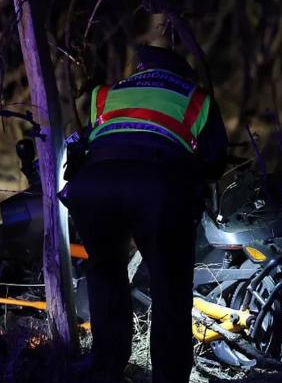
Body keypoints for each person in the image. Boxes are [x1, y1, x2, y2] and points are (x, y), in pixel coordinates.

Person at [63, 45, 228, 383]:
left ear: (138, 71)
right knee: (170, 286)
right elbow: (214, 162)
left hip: (95, 188)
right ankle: (169, 377)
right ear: (181, 74)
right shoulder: (197, 99)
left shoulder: (105, 94)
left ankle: (106, 367)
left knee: (106, 273)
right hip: (158, 188)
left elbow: (100, 142)